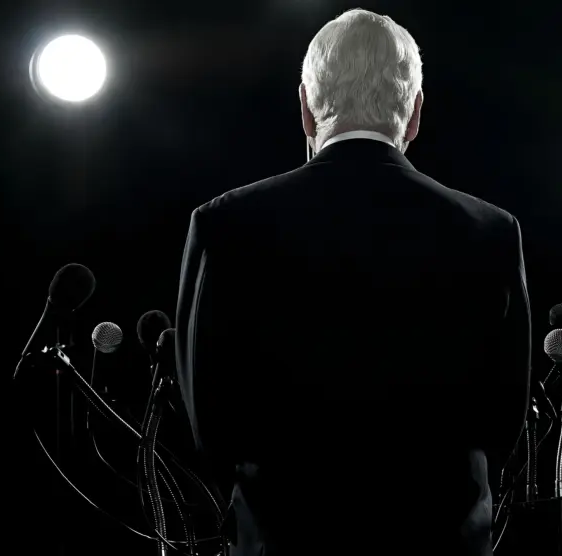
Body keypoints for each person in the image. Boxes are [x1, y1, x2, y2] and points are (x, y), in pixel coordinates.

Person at [175, 8, 531, 556]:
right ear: (415, 113)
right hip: (440, 538)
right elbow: (503, 419)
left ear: (305, 109)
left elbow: (210, 422)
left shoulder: (226, 224)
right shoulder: (489, 230)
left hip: (284, 536)